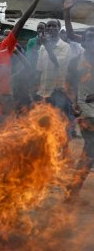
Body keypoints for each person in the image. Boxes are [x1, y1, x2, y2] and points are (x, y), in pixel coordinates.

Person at [66, 27, 94, 199]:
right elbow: (69, 85)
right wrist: (74, 103)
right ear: (82, 41)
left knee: (89, 151)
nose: (89, 41)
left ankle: (73, 188)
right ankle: (73, 190)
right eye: (87, 38)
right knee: (90, 148)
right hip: (86, 112)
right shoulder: (76, 61)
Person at [35, 19, 72, 120]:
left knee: (58, 122)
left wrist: (47, 46)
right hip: (43, 92)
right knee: (43, 124)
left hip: (58, 92)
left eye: (54, 26)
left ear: (59, 28)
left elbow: (57, 63)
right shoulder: (43, 48)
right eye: (49, 26)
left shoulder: (65, 47)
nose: (51, 28)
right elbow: (39, 70)